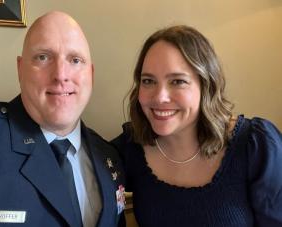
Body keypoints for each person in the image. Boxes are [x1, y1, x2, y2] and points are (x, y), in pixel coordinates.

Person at [112, 25, 282, 226]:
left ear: (206, 86)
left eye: (177, 81)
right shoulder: (129, 148)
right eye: (148, 81)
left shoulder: (256, 146)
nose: (159, 97)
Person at [0, 11, 125, 227]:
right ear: (20, 69)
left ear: (91, 74)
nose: (61, 74)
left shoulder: (109, 157)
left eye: (75, 60)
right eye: (43, 57)